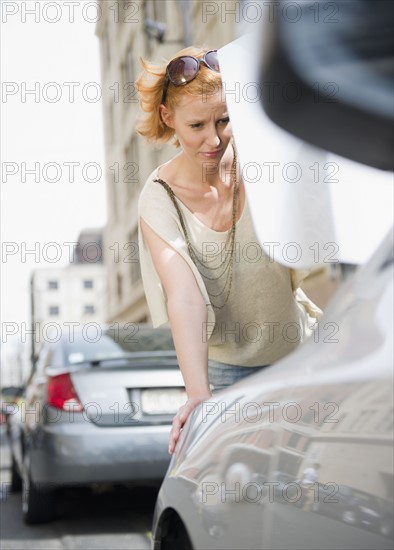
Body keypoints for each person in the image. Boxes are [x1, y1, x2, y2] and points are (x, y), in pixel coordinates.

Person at [135, 47, 322, 454]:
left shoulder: (262, 162)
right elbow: (184, 297)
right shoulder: (159, 198)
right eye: (197, 124)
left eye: (223, 120)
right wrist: (198, 394)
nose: (214, 139)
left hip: (301, 354)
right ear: (168, 118)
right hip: (225, 373)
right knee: (229, 495)